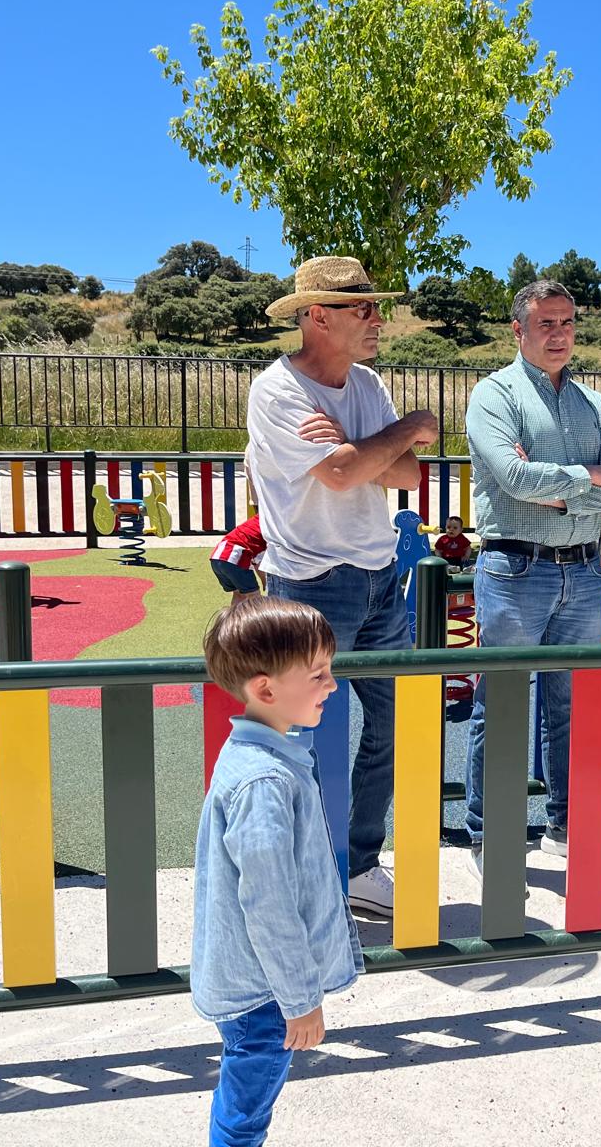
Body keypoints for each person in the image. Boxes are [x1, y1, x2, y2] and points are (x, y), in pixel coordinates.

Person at [247, 256, 440, 920]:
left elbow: (407, 476)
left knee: (396, 723)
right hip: (308, 588)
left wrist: (364, 449)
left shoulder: (363, 387)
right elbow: (340, 475)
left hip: (380, 579)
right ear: (316, 317)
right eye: (363, 309)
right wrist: (399, 431)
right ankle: (295, 873)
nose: (377, 319)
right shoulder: (277, 392)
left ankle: (356, 863)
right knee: (296, 737)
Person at [463, 279, 601, 872]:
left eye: (566, 322)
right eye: (545, 323)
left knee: (574, 707)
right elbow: (514, 479)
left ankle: (568, 825)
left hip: (583, 571)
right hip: (515, 568)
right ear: (519, 330)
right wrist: (590, 480)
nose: (559, 334)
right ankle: (491, 834)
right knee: (502, 705)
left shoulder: (595, 403)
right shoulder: (494, 396)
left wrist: (565, 491)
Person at [193, 596, 362, 1147]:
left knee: (243, 1092)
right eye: (318, 675)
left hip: (255, 984)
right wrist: (300, 1000)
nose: (332, 685)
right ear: (266, 690)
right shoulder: (265, 782)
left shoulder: (261, 758)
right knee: (247, 1110)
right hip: (264, 993)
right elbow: (267, 902)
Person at [211, 514, 266, 604]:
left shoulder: (255, 520)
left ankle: (232, 618)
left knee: (239, 595)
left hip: (216, 557)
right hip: (234, 558)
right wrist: (265, 582)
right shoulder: (269, 527)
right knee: (254, 597)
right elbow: (258, 562)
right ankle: (257, 618)